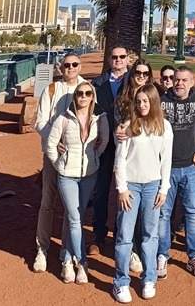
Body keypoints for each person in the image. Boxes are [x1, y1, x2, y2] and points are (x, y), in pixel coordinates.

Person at [113, 84, 173, 303]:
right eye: (138, 101)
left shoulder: (164, 126)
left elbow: (166, 160)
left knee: (150, 235)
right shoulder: (128, 125)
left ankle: (149, 278)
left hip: (152, 186)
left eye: (145, 101)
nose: (141, 105)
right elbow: (120, 159)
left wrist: (164, 189)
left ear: (153, 101)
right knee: (125, 235)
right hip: (130, 187)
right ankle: (121, 282)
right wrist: (122, 188)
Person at [46, 82, 109, 284]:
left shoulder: (100, 117)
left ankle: (66, 259)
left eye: (87, 93)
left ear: (92, 96)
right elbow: (50, 144)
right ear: (75, 97)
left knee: (78, 219)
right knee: (74, 219)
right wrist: (59, 164)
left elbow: (104, 140)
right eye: (80, 93)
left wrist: (95, 157)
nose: (83, 96)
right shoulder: (63, 118)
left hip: (89, 175)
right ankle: (82, 262)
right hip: (67, 175)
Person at [33, 53, 86, 271]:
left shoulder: (87, 89)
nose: (70, 68)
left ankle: (66, 249)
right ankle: (42, 249)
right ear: (61, 68)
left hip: (75, 157)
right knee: (47, 201)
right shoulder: (52, 89)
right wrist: (55, 141)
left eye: (74, 64)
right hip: (53, 154)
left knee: (71, 206)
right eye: (66, 65)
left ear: (80, 67)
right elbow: (40, 122)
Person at [157, 66, 195, 278]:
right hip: (166, 169)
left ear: (191, 82)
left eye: (184, 80)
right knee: (164, 213)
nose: (179, 83)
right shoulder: (161, 101)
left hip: (190, 167)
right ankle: (162, 255)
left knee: (192, 212)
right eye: (177, 79)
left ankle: (194, 255)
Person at [90, 47, 129, 255]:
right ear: (109, 59)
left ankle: (122, 234)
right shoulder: (98, 83)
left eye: (122, 57)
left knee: (125, 189)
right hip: (105, 143)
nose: (118, 60)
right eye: (115, 57)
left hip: (128, 143)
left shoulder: (135, 80)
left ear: (127, 59)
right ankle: (99, 235)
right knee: (101, 189)